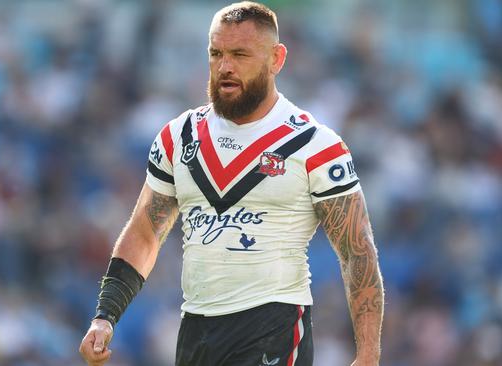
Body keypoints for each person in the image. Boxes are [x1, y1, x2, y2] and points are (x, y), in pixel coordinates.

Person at [79, 2, 384, 365]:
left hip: (274, 327)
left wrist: (368, 353)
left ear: (276, 58)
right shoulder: (180, 137)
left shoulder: (315, 145)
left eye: (240, 54)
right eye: (216, 53)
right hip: (196, 330)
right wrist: (105, 315)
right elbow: (145, 232)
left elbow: (357, 251)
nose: (225, 66)